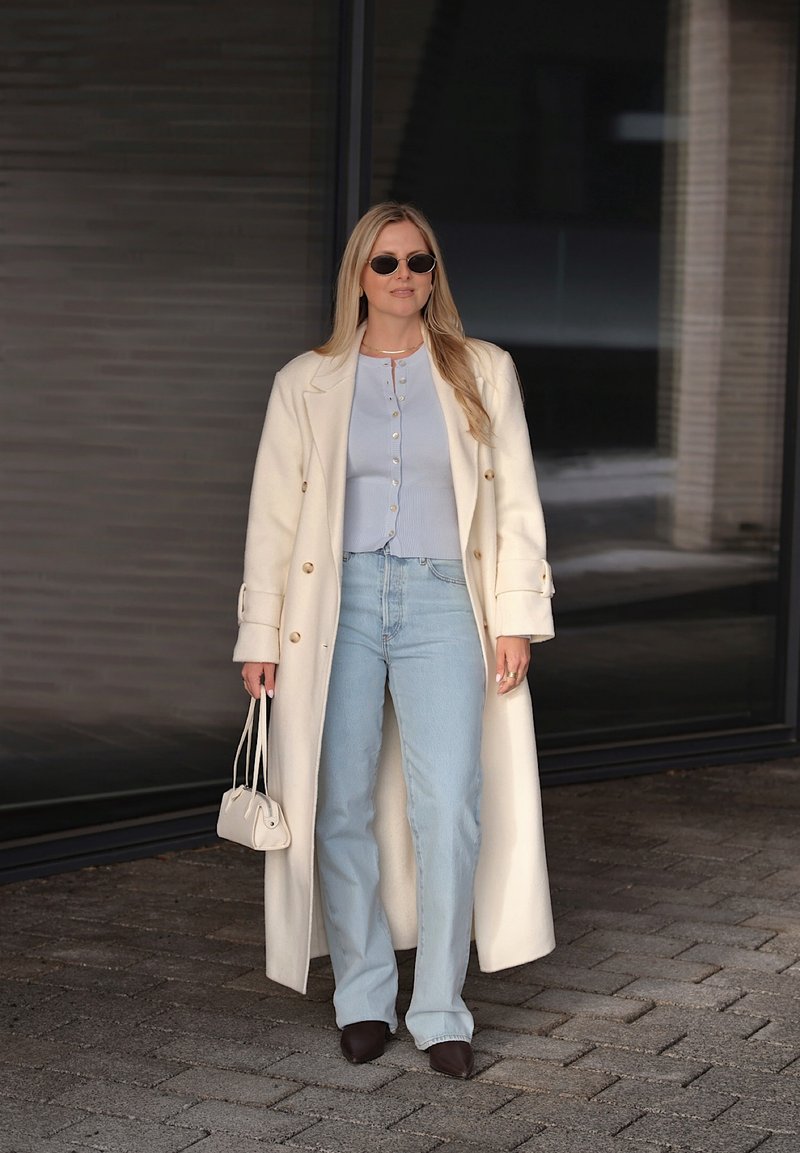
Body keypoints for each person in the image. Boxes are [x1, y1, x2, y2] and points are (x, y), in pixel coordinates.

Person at [235, 201, 555, 1080]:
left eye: (419, 262)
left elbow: (518, 500)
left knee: (448, 804)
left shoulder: (483, 371)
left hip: (448, 600)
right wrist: (259, 631)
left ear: (434, 273)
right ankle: (364, 995)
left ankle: (442, 1004)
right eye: (386, 264)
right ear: (359, 277)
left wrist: (519, 616)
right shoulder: (307, 379)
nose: (405, 277)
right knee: (335, 803)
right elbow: (274, 516)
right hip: (335, 607)